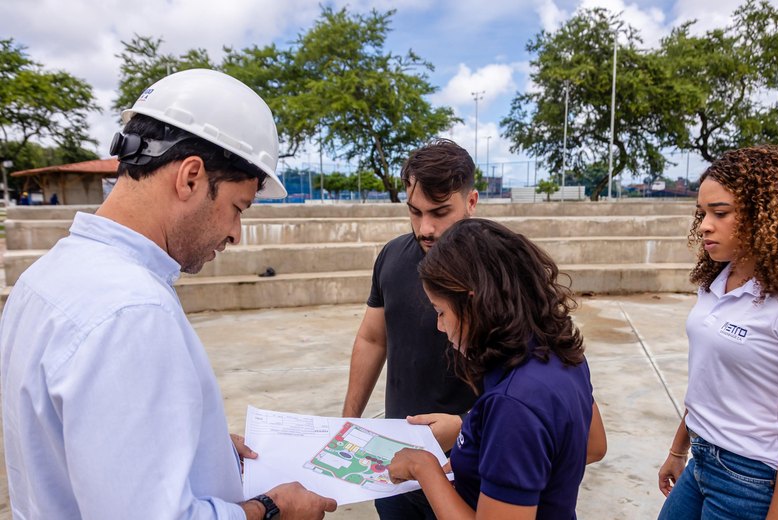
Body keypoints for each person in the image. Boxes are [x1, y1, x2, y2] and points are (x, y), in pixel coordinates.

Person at [0, 69, 337, 520]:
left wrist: (203, 450)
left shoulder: (45, 277)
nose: (236, 233)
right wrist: (272, 508)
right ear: (191, 177)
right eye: (237, 208)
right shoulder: (131, 312)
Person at [657, 145, 778, 519]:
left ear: (766, 214)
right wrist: (680, 449)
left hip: (756, 481)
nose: (705, 225)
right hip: (702, 461)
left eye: (720, 213)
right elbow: (709, 379)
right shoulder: (717, 282)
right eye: (702, 213)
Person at [387, 218, 604, 519]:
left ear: (473, 304)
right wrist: (478, 436)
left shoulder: (513, 404)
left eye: (441, 312)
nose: (440, 326)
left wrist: (423, 468)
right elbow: (593, 445)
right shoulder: (559, 351)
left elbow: (523, 425)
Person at [341, 138, 480, 519]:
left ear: (471, 202)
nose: (426, 228)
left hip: (469, 462)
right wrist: (347, 421)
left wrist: (467, 426)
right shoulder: (391, 256)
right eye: (415, 212)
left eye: (440, 212)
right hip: (395, 460)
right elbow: (372, 339)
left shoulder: (500, 269)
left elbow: (531, 380)